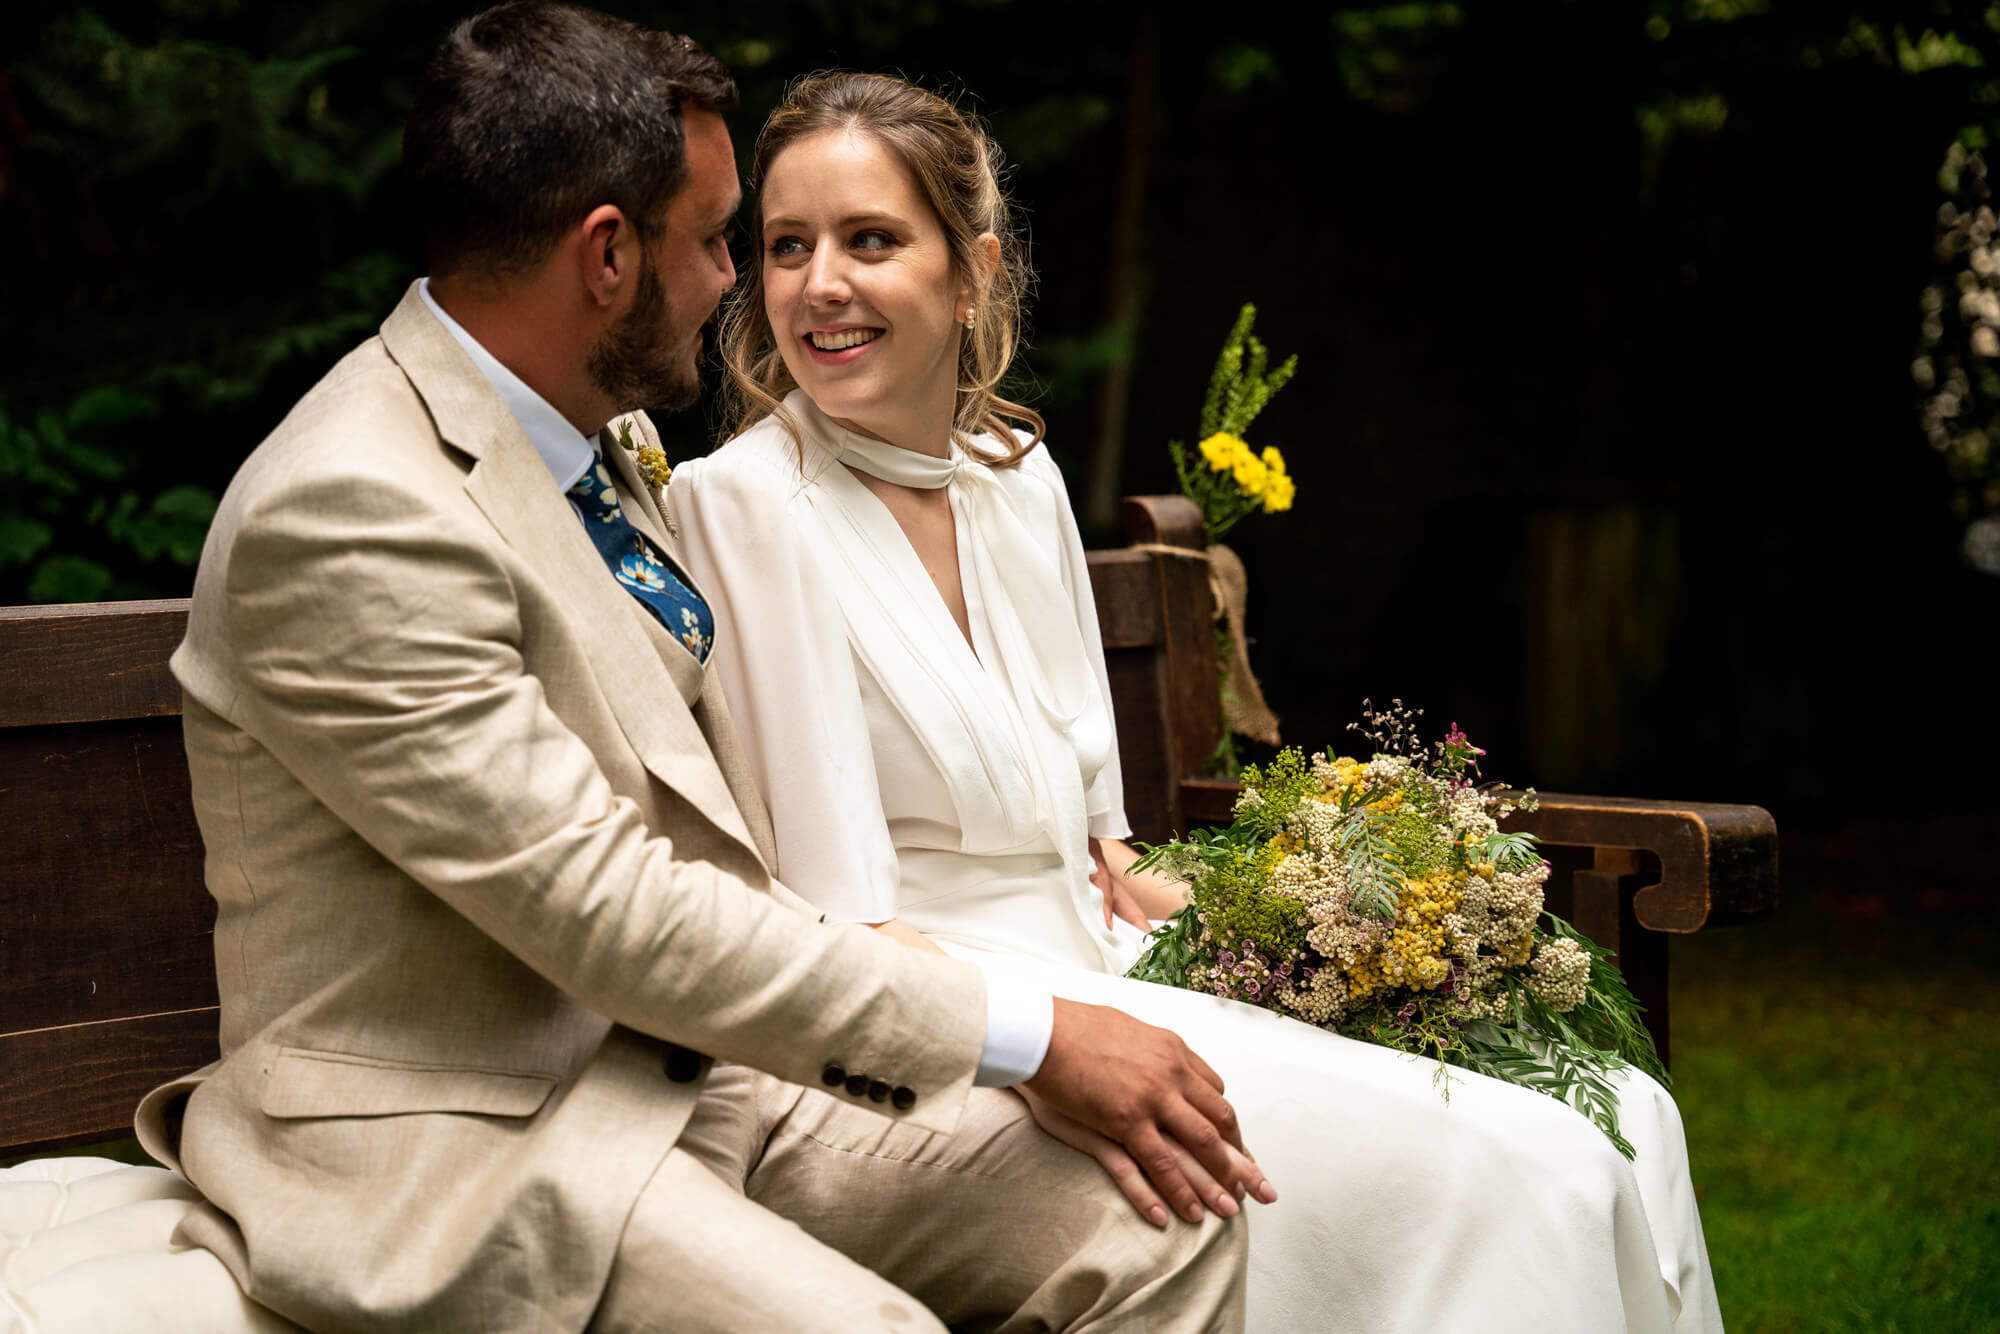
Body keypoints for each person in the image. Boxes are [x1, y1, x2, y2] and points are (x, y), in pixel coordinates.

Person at [130, 7, 1262, 1331]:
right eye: (725, 239)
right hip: (464, 1141)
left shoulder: (592, 451)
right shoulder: (351, 511)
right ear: (607, 254)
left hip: (690, 1079)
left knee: (1158, 1226)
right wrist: (1030, 1033)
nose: (745, 284)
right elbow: (609, 910)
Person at [668, 71, 1728, 1333]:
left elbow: (1095, 835)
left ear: (974, 272)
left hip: (1117, 954)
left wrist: (1291, 921)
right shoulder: (741, 507)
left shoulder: (1017, 477)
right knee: (1516, 1170)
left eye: (870, 240)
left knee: (1616, 1107)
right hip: (960, 1019)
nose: (818, 284)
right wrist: (1050, 1035)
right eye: (786, 246)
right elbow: (835, 912)